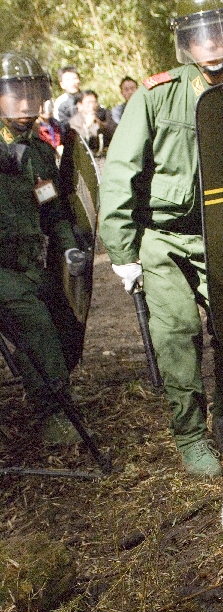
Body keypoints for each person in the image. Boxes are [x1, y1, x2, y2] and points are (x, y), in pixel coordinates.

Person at [99, 0, 223, 478]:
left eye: (221, 33)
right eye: (200, 36)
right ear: (186, 43)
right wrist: (123, 252)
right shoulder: (156, 95)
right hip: (162, 238)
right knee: (178, 335)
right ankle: (191, 434)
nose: (212, 46)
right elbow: (119, 175)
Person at [0, 52, 85, 446]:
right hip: (2, 270)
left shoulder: (37, 149)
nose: (24, 103)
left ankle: (51, 387)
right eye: (13, 93)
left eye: (32, 93)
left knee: (68, 328)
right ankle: (52, 415)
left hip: (31, 265)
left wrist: (70, 251)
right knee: (38, 330)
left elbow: (53, 210)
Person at [52, 66, 80, 133]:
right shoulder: (60, 102)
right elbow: (60, 125)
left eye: (74, 78)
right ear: (62, 84)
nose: (72, 83)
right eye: (68, 80)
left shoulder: (87, 98)